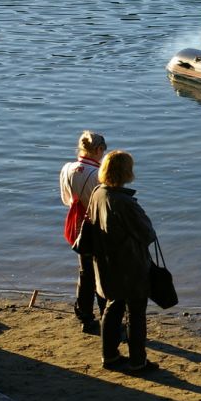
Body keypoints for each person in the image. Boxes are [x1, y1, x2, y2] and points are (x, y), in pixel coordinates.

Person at [87, 150, 159, 374]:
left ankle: (109, 356)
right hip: (130, 265)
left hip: (106, 263)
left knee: (112, 307)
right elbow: (147, 233)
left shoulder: (98, 193)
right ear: (126, 172)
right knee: (136, 314)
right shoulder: (124, 202)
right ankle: (138, 361)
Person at [59, 131, 107, 334]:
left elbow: (66, 200)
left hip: (76, 226)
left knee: (85, 273)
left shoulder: (67, 169)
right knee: (103, 274)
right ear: (98, 150)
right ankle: (107, 315)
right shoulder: (99, 175)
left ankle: (85, 316)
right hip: (96, 228)